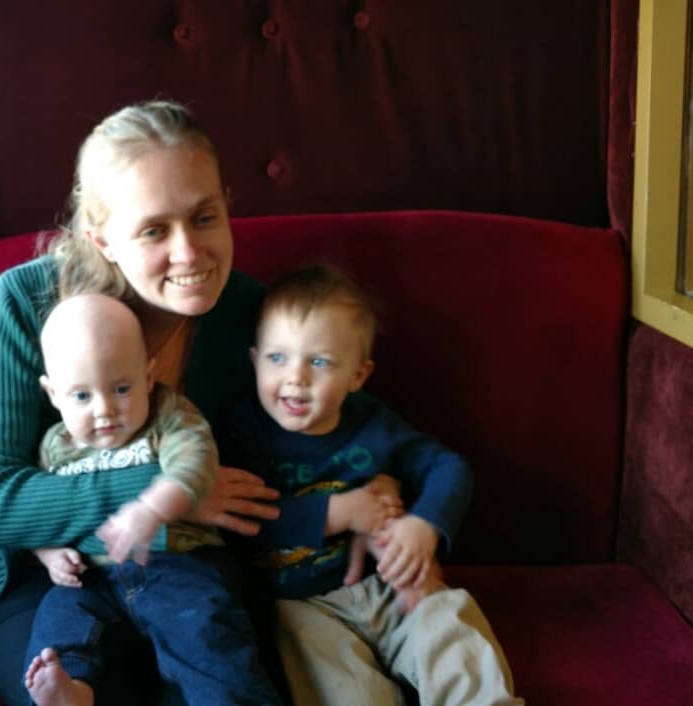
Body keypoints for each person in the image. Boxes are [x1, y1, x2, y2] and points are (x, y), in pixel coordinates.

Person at [0, 100, 286, 706]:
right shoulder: (24, 304)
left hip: (188, 574)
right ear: (100, 238)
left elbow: (314, 439)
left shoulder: (250, 314)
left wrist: (378, 490)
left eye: (205, 217)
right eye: (155, 230)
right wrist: (165, 492)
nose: (190, 253)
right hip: (46, 572)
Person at [220, 264, 524, 706]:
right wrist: (338, 513)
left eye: (319, 361)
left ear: (357, 376)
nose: (295, 377)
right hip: (303, 605)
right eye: (277, 357)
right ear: (254, 360)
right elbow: (241, 520)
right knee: (344, 689)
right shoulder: (243, 432)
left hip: (390, 584)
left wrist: (423, 526)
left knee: (447, 625)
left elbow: (448, 468)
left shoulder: (372, 423)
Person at [23, 291, 282, 706]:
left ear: (148, 376)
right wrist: (50, 554)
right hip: (93, 575)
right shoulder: (55, 446)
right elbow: (36, 514)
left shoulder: (169, 415)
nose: (105, 409)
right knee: (59, 618)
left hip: (179, 564)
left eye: (121, 387)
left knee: (208, 639)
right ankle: (69, 687)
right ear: (52, 394)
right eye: (82, 396)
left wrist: (153, 507)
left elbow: (196, 464)